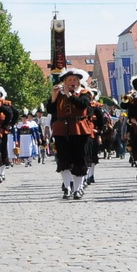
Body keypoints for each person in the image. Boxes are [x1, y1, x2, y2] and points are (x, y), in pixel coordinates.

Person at [48, 66, 95, 199]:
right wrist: (54, 96)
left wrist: (69, 94)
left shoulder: (84, 93)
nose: (72, 82)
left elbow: (82, 105)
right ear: (64, 82)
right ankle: (67, 187)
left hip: (79, 128)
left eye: (74, 79)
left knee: (79, 159)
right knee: (64, 159)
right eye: (69, 80)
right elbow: (51, 109)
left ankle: (78, 188)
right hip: (62, 129)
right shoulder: (60, 94)